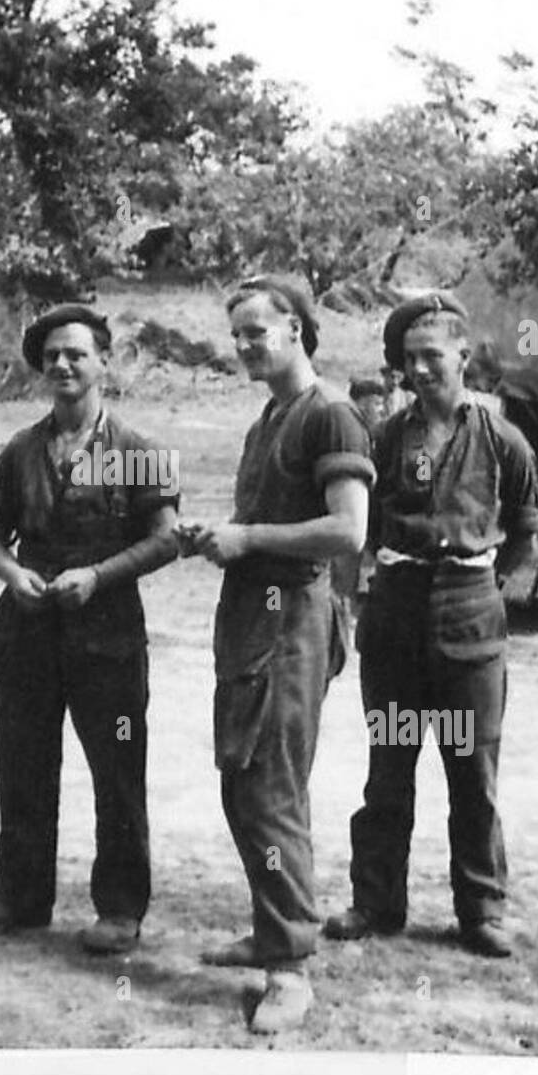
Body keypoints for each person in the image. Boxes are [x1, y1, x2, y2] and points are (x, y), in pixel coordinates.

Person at [0, 304, 179, 954]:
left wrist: (99, 576)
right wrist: (11, 573)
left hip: (107, 631)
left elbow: (166, 541)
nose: (63, 365)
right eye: (51, 355)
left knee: (117, 768)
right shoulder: (21, 450)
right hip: (26, 627)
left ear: (103, 361)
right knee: (21, 764)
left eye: (76, 353)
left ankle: (120, 907)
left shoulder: (137, 452)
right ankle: (18, 897)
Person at [180, 274, 372, 1034]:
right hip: (252, 616)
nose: (245, 345)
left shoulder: (331, 416)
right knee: (243, 780)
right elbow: (261, 520)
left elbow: (349, 531)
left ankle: (289, 969)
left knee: (271, 791)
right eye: (238, 334)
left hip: (292, 616)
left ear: (296, 327)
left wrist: (249, 540)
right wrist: (222, 535)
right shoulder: (272, 417)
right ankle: (271, 931)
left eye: (257, 330)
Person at [326, 291, 538, 959]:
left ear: (463, 358)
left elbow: (527, 530)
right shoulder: (386, 436)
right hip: (395, 615)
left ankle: (481, 908)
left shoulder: (503, 439)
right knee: (388, 767)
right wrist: (364, 592)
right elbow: (362, 529)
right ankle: (376, 900)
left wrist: (481, 580)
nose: (418, 370)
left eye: (432, 356)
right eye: (408, 360)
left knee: (472, 771)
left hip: (472, 618)